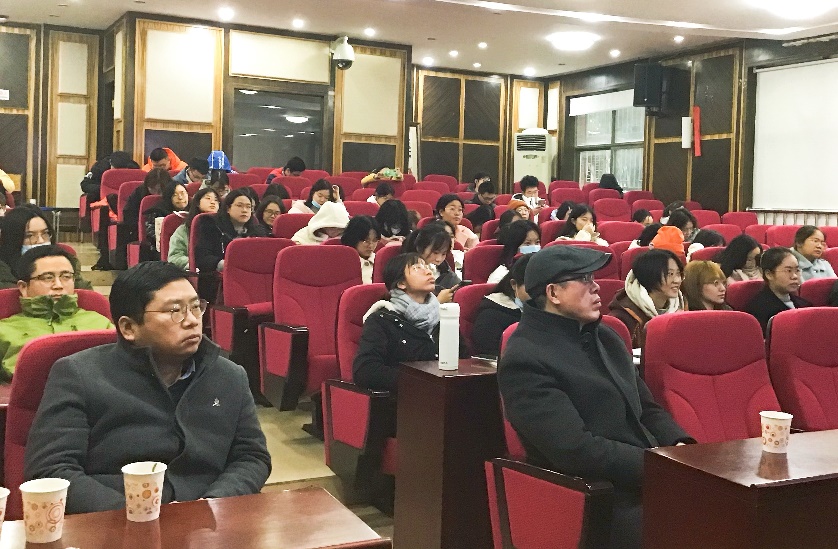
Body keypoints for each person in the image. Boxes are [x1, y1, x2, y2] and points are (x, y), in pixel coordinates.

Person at [24, 261, 271, 514]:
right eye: (174, 311)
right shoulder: (78, 375)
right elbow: (52, 470)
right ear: (129, 328)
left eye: (196, 307)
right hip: (115, 521)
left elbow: (252, 457)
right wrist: (136, 517)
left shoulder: (229, 375)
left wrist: (212, 504)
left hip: (208, 519)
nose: (192, 321)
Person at [498, 246, 693, 549]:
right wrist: (659, 466)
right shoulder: (526, 357)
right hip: (596, 496)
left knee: (735, 509)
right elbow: (575, 449)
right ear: (553, 293)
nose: (597, 287)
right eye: (584, 279)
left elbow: (646, 408)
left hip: (647, 477)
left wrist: (680, 448)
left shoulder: (606, 337)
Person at [353, 252, 463, 394]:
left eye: (427, 267)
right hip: (403, 399)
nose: (428, 271)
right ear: (401, 283)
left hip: (447, 396)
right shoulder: (382, 319)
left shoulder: (444, 316)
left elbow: (463, 359)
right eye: (417, 268)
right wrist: (422, 382)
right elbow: (365, 370)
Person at [0, 246, 113, 379]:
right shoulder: (4, 330)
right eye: (48, 278)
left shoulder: (101, 324)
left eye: (66, 277)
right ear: (24, 287)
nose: (58, 285)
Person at [194, 189, 266, 301]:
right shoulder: (211, 226)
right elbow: (203, 258)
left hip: (251, 278)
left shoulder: (257, 231)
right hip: (217, 281)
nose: (245, 210)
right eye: (239, 205)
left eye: (248, 207)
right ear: (228, 208)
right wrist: (228, 265)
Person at [0, 206, 91, 290]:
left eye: (45, 233)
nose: (40, 241)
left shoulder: (66, 264)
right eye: (30, 236)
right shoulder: (4, 276)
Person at [608, 249, 685, 348]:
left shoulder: (681, 307)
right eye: (670, 274)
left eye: (678, 273)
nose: (677, 280)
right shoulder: (623, 317)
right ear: (650, 275)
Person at [81, 151, 141, 271]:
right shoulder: (99, 167)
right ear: (110, 164)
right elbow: (85, 184)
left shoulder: (134, 168)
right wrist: (103, 188)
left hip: (126, 203)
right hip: (105, 203)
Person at [472, 255, 531, 357]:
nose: (540, 292)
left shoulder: (549, 308)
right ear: (514, 284)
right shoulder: (491, 315)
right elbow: (489, 356)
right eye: (531, 285)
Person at [745, 247, 811, 335]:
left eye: (797, 270)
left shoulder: (805, 305)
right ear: (769, 274)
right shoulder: (757, 310)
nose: (795, 276)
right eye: (788, 271)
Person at [402, 223, 460, 303]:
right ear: (420, 248)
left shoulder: (445, 270)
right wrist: (438, 301)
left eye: (443, 254)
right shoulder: (408, 272)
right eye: (435, 253)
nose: (439, 259)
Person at [167, 188, 220, 270]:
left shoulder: (222, 227)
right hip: (194, 271)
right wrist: (195, 263)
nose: (213, 202)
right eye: (208, 198)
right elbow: (174, 257)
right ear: (198, 203)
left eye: (216, 200)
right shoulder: (184, 229)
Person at [141, 181, 190, 259]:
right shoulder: (157, 212)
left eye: (183, 193)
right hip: (162, 253)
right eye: (175, 195)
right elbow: (154, 237)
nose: (180, 197)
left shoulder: (194, 210)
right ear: (168, 197)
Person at [124, 168, 172, 244]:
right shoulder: (139, 192)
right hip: (142, 232)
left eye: (160, 191)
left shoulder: (175, 192)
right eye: (152, 189)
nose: (156, 194)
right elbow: (129, 215)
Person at [487, 220, 540, 284]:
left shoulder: (541, 268)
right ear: (515, 246)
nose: (534, 248)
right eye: (527, 243)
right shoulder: (500, 276)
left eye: (537, 242)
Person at [341, 216, 380, 284]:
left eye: (374, 240)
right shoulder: (344, 263)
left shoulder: (380, 261)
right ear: (353, 239)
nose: (371, 245)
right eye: (365, 241)